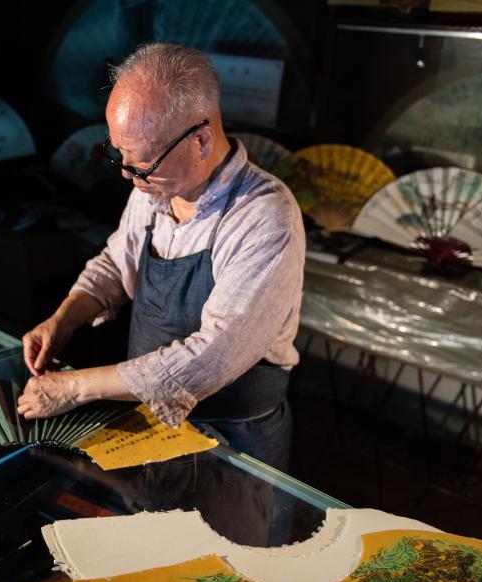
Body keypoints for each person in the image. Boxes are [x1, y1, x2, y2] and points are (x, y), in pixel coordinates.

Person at [17, 43, 304, 473]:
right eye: (119, 154)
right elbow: (117, 263)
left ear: (201, 141)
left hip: (234, 441)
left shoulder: (264, 217)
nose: (127, 174)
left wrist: (76, 387)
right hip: (150, 424)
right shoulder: (155, 187)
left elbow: (208, 359)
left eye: (142, 163)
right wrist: (65, 318)